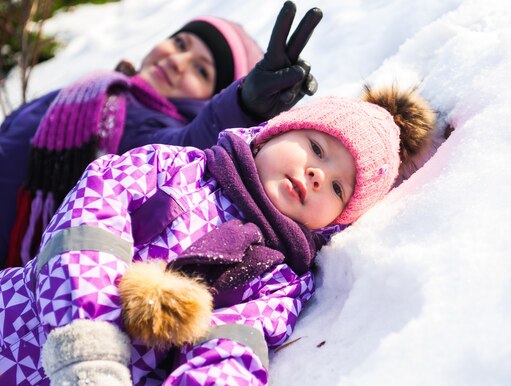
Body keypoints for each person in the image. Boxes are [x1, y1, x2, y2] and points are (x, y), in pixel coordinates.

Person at [0, 83, 435, 386]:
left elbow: (237, 348)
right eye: (317, 148)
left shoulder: (281, 278)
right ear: (272, 133)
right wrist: (91, 356)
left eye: (339, 187)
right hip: (16, 325)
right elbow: (83, 234)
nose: (317, 174)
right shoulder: (172, 168)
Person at [0, 1, 322, 268]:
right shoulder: (97, 90)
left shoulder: (165, 133)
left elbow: (183, 145)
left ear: (211, 98)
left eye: (201, 70)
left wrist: (244, 103)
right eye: (180, 43)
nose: (178, 61)